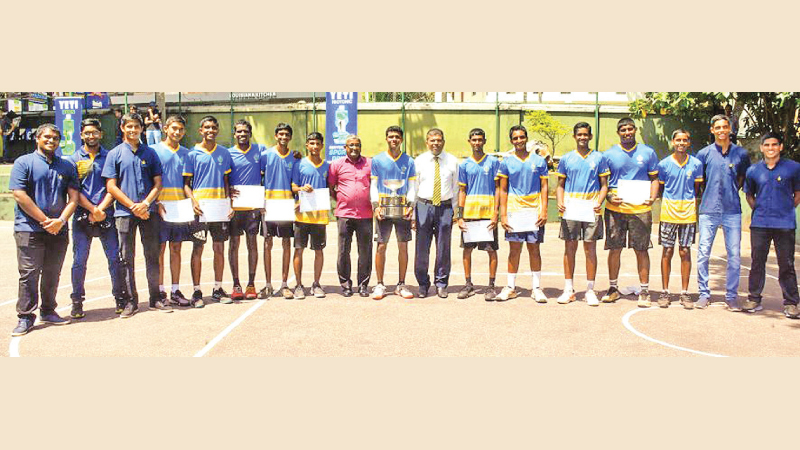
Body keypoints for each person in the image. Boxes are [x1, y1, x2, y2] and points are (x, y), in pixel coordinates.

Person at [9, 124, 79, 336]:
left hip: (58, 230)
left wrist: (61, 220)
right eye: (47, 137)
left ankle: (48, 311)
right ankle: (25, 317)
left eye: (55, 138)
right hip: (28, 229)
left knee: (52, 273)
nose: (51, 141)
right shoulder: (24, 162)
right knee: (29, 274)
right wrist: (46, 220)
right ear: (38, 138)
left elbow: (74, 198)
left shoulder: (66, 166)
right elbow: (19, 195)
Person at [103, 112, 165, 317]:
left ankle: (155, 297)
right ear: (122, 128)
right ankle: (131, 301)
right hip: (124, 213)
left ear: (141, 129)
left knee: (152, 255)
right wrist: (133, 206)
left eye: (136, 127)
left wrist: (146, 204)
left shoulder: (150, 153)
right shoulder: (114, 154)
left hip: (149, 212)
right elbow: (111, 186)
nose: (132, 130)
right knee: (126, 258)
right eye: (128, 126)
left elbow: (158, 183)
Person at [66, 118, 124, 319]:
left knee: (115, 259)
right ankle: (77, 301)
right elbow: (73, 190)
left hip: (107, 214)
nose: (91, 136)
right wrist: (91, 209)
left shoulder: (110, 157)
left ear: (101, 134)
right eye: (87, 133)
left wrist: (100, 209)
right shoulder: (72, 160)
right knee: (79, 261)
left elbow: (112, 186)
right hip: (82, 216)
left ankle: (120, 298)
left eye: (95, 132)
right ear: (81, 135)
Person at [600, 118, 659, 307]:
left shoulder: (648, 152)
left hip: (640, 209)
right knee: (614, 249)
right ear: (618, 132)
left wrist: (652, 196)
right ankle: (612, 288)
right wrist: (608, 196)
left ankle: (644, 291)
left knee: (641, 249)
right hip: (615, 209)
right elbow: (602, 183)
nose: (627, 132)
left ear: (635, 130)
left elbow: (655, 179)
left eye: (630, 129)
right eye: (623, 129)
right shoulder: (608, 154)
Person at [741, 132, 800, 319]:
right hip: (760, 224)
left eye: (775, 145)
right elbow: (749, 194)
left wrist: (787, 209)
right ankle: (754, 298)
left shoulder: (794, 168)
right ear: (762, 148)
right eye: (767, 145)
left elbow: (797, 193)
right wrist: (757, 210)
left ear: (780, 147)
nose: (771, 148)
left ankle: (791, 303)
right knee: (757, 261)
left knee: (787, 264)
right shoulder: (753, 170)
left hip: (785, 224)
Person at [695, 114, 751, 310]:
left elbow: (743, 177)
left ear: (730, 129)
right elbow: (698, 181)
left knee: (734, 255)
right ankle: (703, 294)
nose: (721, 130)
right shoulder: (703, 154)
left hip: (732, 210)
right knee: (703, 254)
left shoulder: (741, 154)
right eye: (717, 127)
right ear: (712, 130)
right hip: (708, 210)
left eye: (724, 127)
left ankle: (731, 296)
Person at [555, 122, 609, 306]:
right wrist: (561, 202)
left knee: (590, 249)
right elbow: (560, 185)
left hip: (590, 210)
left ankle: (590, 290)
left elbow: (604, 185)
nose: (582, 138)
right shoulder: (566, 159)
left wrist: (599, 202)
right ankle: (568, 289)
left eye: (586, 135)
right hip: (571, 209)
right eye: (579, 135)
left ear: (590, 137)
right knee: (570, 248)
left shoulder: (599, 158)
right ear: (574, 136)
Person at [183, 115, 233, 306]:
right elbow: (186, 184)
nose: (211, 130)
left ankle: (218, 288)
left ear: (217, 130)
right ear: (201, 130)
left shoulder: (224, 153)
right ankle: (196, 291)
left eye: (214, 127)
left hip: (219, 208)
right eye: (207, 127)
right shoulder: (192, 154)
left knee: (219, 248)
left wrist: (229, 203)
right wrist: (193, 201)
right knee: (198, 248)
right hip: (201, 209)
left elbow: (227, 181)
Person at [496, 125, 549, 302]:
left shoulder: (539, 160)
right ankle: (511, 287)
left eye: (522, 137)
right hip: (514, 212)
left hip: (534, 212)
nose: (519, 140)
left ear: (526, 139)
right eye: (515, 138)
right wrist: (503, 215)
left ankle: (536, 288)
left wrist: (544, 210)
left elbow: (544, 186)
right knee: (514, 250)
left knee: (534, 249)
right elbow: (502, 190)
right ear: (511, 141)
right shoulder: (506, 162)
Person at [656, 129, 703, 309]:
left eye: (685, 140)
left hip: (688, 214)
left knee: (685, 251)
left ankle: (684, 293)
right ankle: (665, 292)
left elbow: (697, 188)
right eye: (678, 140)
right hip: (669, 212)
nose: (681, 143)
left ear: (689, 143)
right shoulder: (664, 164)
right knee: (667, 251)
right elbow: (660, 188)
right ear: (673, 142)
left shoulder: (696, 164)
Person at [370, 125, 417, 300]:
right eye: (390, 136)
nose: (394, 140)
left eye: (397, 137)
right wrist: (376, 206)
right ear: (386, 138)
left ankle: (401, 284)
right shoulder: (377, 160)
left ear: (401, 139)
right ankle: (380, 284)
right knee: (381, 246)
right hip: (383, 209)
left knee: (403, 246)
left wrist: (411, 205)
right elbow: (373, 186)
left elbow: (412, 187)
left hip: (402, 209)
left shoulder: (409, 161)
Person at [413, 128, 459, 298]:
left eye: (439, 140)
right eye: (432, 140)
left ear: (443, 142)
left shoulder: (452, 161)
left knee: (443, 247)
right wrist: (412, 214)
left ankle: (441, 283)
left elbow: (455, 188)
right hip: (423, 206)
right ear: (427, 142)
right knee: (422, 248)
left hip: (445, 208)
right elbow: (414, 188)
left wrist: (455, 212)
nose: (436, 143)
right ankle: (423, 284)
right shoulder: (419, 161)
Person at [153, 115, 193, 307]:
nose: (177, 132)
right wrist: (156, 202)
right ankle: (160, 291)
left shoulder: (187, 153)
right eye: (174, 128)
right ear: (166, 128)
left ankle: (175, 289)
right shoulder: (154, 151)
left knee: (176, 249)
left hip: (180, 209)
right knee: (160, 250)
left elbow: (188, 183)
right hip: (161, 208)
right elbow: (149, 181)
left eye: (181, 129)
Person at [456, 128, 500, 300]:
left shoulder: (494, 162)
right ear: (469, 141)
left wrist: (496, 213)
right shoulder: (465, 165)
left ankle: (491, 286)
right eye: (474, 140)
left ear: (484, 141)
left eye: (480, 139)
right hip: (470, 214)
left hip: (488, 214)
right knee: (467, 250)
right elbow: (462, 190)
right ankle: (468, 285)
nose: (477, 143)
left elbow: (498, 188)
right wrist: (460, 216)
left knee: (491, 250)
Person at [328, 134, 373, 297]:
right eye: (351, 145)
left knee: (365, 252)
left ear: (360, 147)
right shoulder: (336, 165)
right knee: (343, 251)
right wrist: (342, 199)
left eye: (357, 145)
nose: (354, 148)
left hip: (366, 214)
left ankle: (363, 285)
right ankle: (346, 285)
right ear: (345, 148)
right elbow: (331, 187)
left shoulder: (370, 164)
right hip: (344, 214)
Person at [260, 123, 298, 299]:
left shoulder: (295, 158)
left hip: (286, 206)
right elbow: (258, 179)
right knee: (267, 243)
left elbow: (296, 183)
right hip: (269, 206)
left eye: (286, 134)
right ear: (276, 136)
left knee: (286, 243)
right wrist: (259, 202)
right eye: (280, 134)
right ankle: (268, 284)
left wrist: (298, 202)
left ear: (290, 137)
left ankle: (284, 284)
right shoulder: (265, 155)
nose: (283, 137)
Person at [290, 132, 330, 299]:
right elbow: (293, 186)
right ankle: (299, 285)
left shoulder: (327, 166)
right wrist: (300, 190)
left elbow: (331, 187)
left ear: (322, 146)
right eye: (311, 143)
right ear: (307, 145)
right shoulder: (299, 164)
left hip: (319, 216)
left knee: (319, 250)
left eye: (317, 143)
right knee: (299, 250)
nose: (314, 146)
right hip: (302, 216)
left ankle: (316, 283)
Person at [228, 119, 263, 300]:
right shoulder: (228, 153)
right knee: (234, 244)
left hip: (252, 207)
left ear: (250, 133)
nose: (242, 134)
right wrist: (228, 190)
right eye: (239, 132)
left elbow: (275, 160)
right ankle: (236, 284)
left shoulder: (260, 150)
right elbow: (222, 176)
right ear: (234, 134)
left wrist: (296, 155)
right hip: (234, 207)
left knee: (252, 243)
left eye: (245, 131)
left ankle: (251, 283)